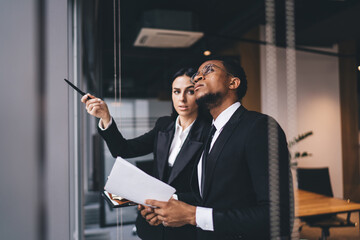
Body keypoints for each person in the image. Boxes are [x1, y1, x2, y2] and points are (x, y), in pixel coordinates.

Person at [145, 58, 293, 239]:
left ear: (233, 82)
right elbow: (213, 198)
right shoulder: (211, 133)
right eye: (196, 75)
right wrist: (168, 205)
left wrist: (194, 215)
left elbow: (278, 217)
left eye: (207, 71)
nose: (197, 78)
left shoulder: (259, 127)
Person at [81, 68, 211, 240]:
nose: (182, 98)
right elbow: (123, 149)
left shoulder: (211, 133)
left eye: (190, 91)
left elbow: (209, 191)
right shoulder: (164, 126)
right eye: (176, 91)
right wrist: (105, 117)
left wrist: (168, 200)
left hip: (185, 228)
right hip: (151, 225)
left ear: (199, 95)